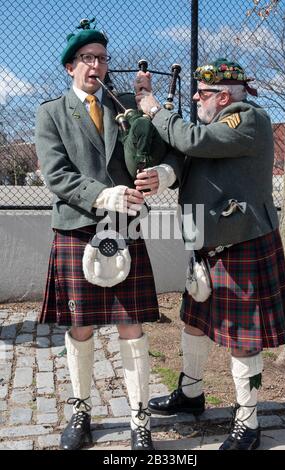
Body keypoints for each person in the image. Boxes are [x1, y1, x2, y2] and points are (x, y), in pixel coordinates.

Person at [134, 58, 285, 450]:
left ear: (224, 96)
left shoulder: (247, 119)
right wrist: (164, 174)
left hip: (242, 243)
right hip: (205, 244)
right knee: (192, 320)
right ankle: (190, 395)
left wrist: (155, 109)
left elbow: (192, 141)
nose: (195, 97)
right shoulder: (210, 127)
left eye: (202, 93)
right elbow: (182, 155)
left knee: (243, 338)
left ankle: (249, 422)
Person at [35, 18, 168, 451]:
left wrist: (160, 172)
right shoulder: (51, 112)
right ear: (70, 66)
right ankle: (81, 410)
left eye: (102, 59)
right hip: (78, 226)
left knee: (132, 325)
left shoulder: (126, 104)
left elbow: (163, 143)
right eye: (88, 59)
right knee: (82, 325)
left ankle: (139, 417)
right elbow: (57, 175)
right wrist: (105, 194)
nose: (96, 66)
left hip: (126, 225)